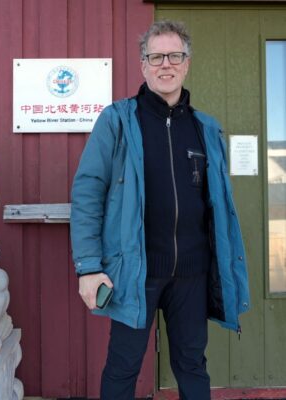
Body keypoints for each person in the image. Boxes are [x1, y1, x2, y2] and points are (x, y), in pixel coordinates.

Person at [70, 20, 250, 400]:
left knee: (192, 364)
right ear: (143, 65)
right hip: (135, 272)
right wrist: (88, 267)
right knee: (123, 366)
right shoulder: (118, 120)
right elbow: (88, 193)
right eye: (156, 56)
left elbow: (218, 207)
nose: (165, 64)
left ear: (186, 64)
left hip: (192, 274)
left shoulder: (206, 128)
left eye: (174, 56)